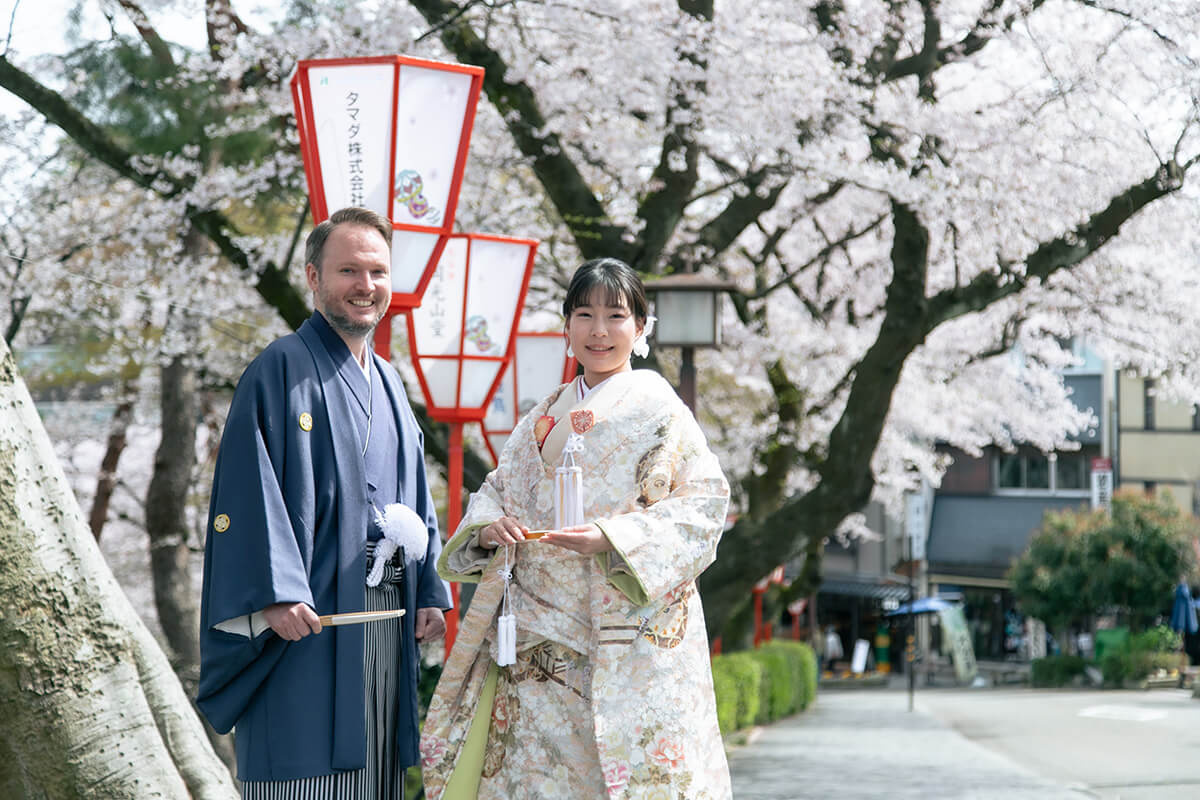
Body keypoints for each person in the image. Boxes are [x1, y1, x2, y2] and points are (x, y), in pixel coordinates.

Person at [420, 257, 733, 799]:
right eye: (584, 314)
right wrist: (493, 528)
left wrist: (613, 539)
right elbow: (495, 491)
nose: (599, 331)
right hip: (537, 643)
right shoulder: (543, 414)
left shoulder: (661, 410)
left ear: (640, 328)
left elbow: (704, 505)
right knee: (539, 783)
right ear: (567, 327)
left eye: (616, 315)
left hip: (625, 637)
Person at [196, 207, 452, 799]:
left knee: (377, 774)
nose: (366, 287)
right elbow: (246, 488)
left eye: (378, 273)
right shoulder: (278, 370)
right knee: (302, 773)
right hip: (305, 624)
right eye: (349, 271)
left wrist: (430, 593)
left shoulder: (390, 382)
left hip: (382, 624)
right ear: (313, 278)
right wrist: (276, 592)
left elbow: (415, 494)